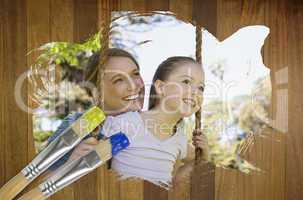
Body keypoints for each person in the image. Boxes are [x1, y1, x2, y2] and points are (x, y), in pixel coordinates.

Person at [98, 56, 209, 189]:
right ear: (161, 87)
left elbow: (177, 179)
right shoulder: (126, 123)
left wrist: (203, 156)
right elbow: (94, 159)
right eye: (186, 81)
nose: (195, 92)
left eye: (201, 88)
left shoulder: (180, 139)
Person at [47, 48, 145, 168]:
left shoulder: (155, 126)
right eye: (119, 80)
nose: (134, 85)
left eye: (135, 74)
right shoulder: (76, 125)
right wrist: (71, 164)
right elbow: (34, 182)